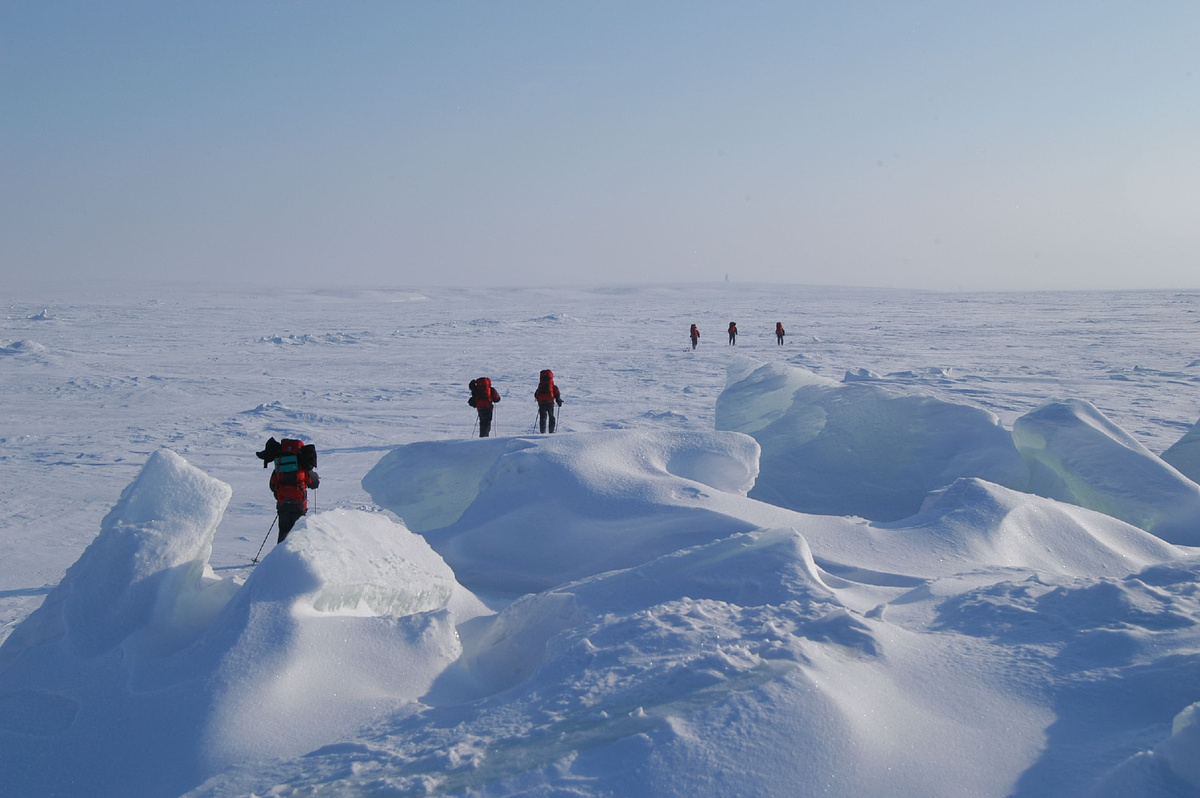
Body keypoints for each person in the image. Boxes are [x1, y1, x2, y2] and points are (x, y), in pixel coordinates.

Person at [259, 437, 319, 543]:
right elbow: (313, 483)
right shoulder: (302, 466)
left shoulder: (279, 465)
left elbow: (272, 485)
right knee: (297, 534)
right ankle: (294, 557)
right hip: (299, 504)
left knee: (283, 531)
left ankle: (280, 556)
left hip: (283, 504)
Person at [534, 369, 563, 433]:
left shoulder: (541, 385)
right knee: (551, 416)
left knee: (543, 417)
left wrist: (538, 400)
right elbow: (557, 393)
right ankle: (551, 431)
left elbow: (536, 394)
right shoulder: (552, 386)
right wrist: (558, 400)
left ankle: (542, 431)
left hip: (541, 402)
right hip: (550, 402)